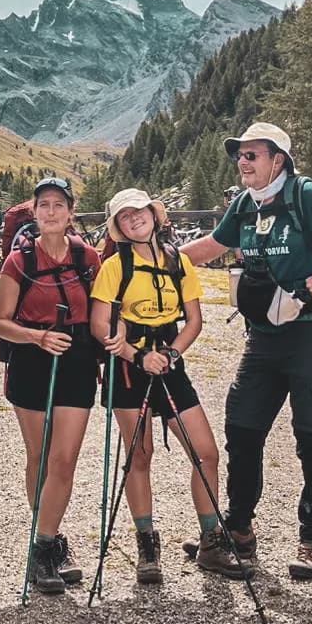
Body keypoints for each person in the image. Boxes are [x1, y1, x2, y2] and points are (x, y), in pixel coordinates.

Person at [181, 123, 312, 580]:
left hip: (308, 336)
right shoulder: (246, 204)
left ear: (278, 159)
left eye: (252, 155)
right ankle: (239, 529)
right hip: (261, 337)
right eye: (239, 155)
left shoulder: (307, 196)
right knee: (242, 428)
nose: (242, 162)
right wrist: (152, 259)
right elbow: (214, 245)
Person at [88, 189, 241, 583]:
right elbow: (99, 325)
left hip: (169, 363)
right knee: (139, 455)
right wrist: (137, 356)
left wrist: (171, 354)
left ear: (154, 215)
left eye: (139, 211)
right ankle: (147, 546)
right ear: (118, 227)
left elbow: (194, 320)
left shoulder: (178, 261)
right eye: (124, 216)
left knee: (206, 453)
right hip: (129, 367)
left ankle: (211, 541)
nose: (134, 219)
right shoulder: (114, 266)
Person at [0, 176, 101, 595]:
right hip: (31, 359)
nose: (51, 212)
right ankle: (50, 540)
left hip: (77, 359)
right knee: (39, 455)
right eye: (44, 205)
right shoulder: (18, 261)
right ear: (34, 212)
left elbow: (102, 310)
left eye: (59, 205)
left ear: (71, 212)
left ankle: (43, 544)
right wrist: (37, 337)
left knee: (64, 458)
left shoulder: (88, 257)